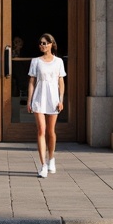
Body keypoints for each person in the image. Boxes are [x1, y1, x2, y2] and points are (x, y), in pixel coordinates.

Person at [26, 32, 65, 178]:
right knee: (41, 130)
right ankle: (42, 165)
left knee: (50, 131)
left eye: (45, 43)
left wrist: (61, 100)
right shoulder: (35, 61)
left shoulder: (59, 62)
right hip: (39, 98)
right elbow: (32, 82)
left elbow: (61, 81)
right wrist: (29, 101)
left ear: (51, 44)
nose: (42, 45)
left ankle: (51, 158)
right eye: (40, 43)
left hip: (53, 98)